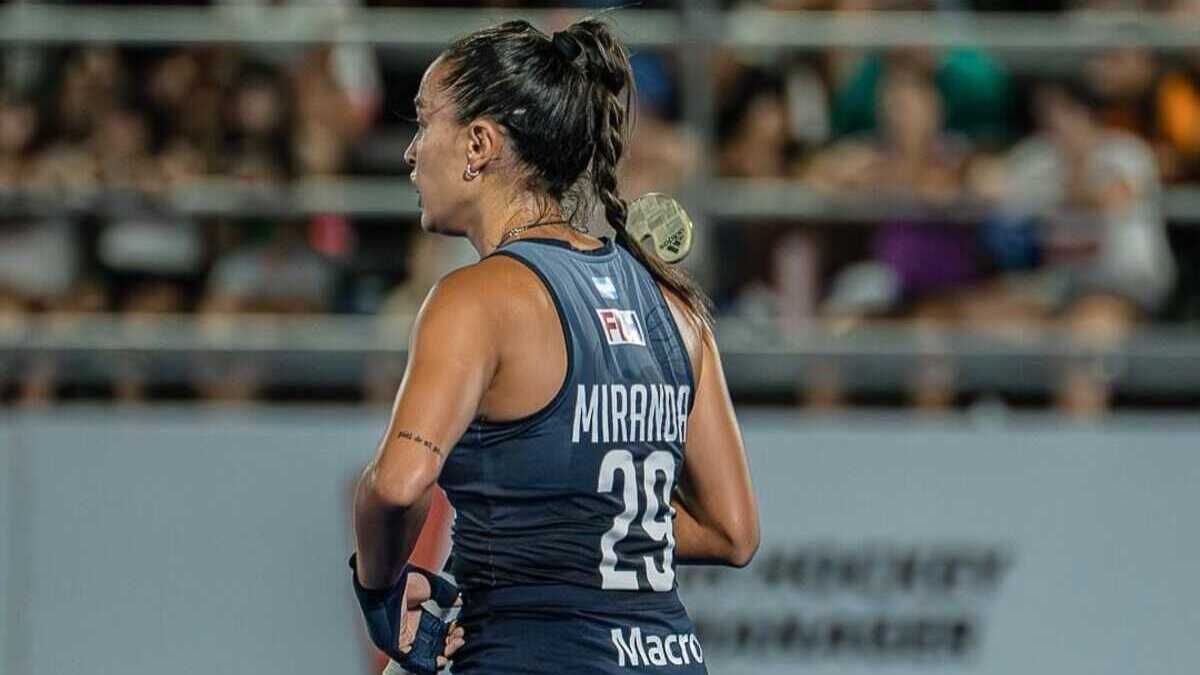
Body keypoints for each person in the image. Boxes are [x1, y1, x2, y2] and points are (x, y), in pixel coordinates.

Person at [350, 18, 759, 674]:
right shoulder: (676, 306)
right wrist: (554, 534)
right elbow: (731, 530)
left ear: (479, 144)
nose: (411, 151)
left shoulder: (475, 300)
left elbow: (397, 487)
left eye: (424, 122)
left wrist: (379, 591)